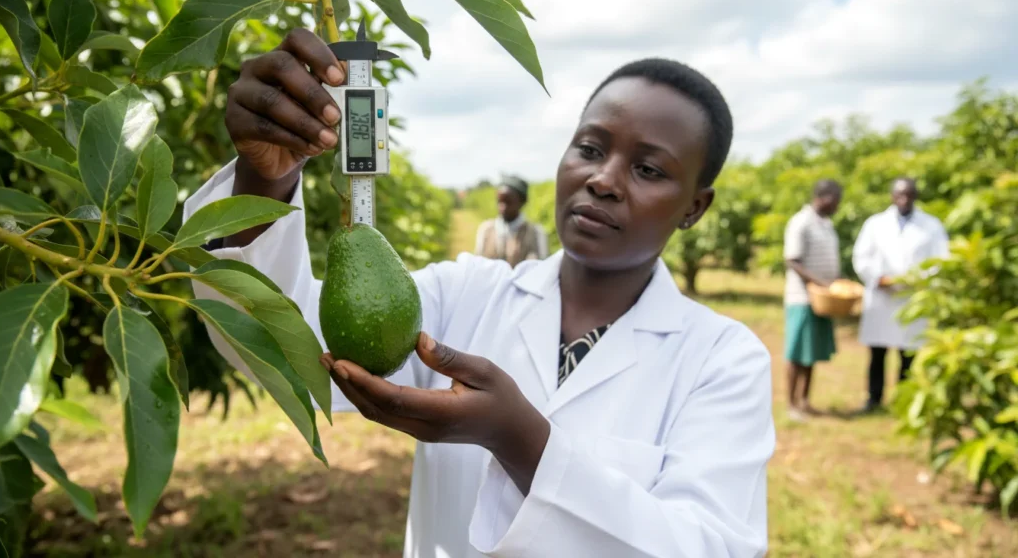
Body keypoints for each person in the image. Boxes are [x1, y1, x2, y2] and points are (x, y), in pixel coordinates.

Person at [190, 28, 774, 557]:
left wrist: (519, 440)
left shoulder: (723, 361)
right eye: (591, 149)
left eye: (648, 170)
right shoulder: (466, 294)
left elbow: (709, 546)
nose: (602, 179)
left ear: (695, 207)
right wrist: (262, 179)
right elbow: (283, 346)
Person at [851, 177, 949, 413]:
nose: (904, 199)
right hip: (882, 298)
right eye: (899, 195)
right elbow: (861, 257)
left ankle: (903, 402)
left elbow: (942, 260)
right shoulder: (875, 224)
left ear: (915, 196)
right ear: (892, 196)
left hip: (913, 298)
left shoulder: (931, 226)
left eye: (909, 195)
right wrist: (881, 278)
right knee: (878, 353)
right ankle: (874, 399)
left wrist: (918, 280)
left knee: (909, 354)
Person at [782, 179, 842, 420]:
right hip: (803, 298)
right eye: (836, 200)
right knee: (796, 353)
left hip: (822, 299)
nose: (838, 206)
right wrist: (820, 284)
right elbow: (792, 260)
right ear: (824, 197)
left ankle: (805, 400)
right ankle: (791, 404)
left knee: (810, 353)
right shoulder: (801, 222)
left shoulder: (826, 224)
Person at [474, 175, 550, 266]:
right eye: (500, 202)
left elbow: (541, 268)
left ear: (522, 202)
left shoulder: (536, 233)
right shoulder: (486, 230)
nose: (502, 207)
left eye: (508, 202)